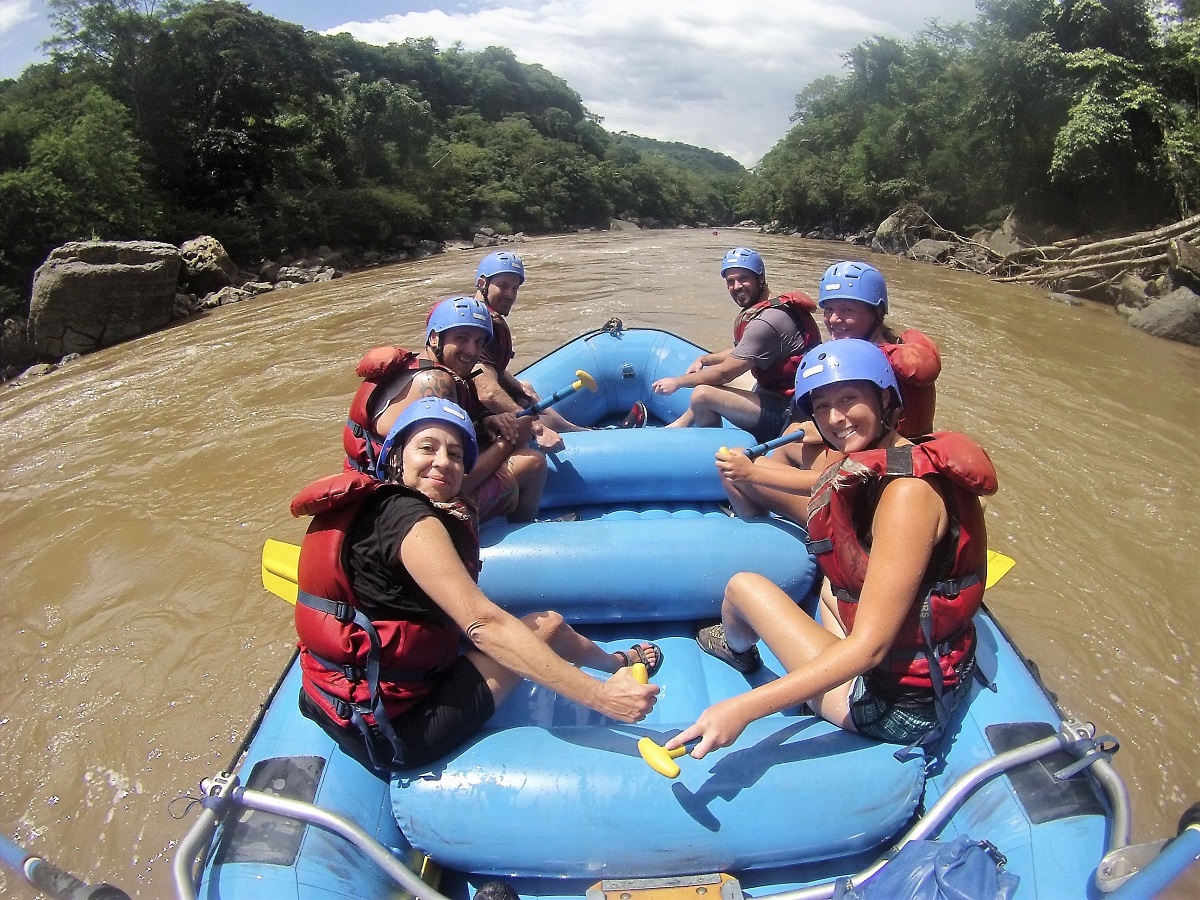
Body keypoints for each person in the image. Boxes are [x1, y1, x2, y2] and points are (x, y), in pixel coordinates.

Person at [294, 397, 662, 772]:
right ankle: (617, 664)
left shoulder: (369, 508)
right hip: (398, 732)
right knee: (546, 625)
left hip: (329, 701)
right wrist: (600, 698)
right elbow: (484, 625)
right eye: (427, 448)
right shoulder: (412, 523)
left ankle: (616, 661)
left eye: (455, 455)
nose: (443, 462)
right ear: (396, 456)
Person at [670, 339, 996, 761]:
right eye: (821, 406)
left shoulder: (906, 497)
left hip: (896, 707)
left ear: (884, 399)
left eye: (848, 399)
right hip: (930, 665)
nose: (835, 418)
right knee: (830, 585)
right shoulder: (894, 456)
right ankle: (819, 665)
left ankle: (738, 651)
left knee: (742, 588)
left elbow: (870, 650)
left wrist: (742, 709)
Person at [344, 295, 548, 523]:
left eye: (479, 342)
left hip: (377, 489)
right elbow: (452, 482)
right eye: (462, 338)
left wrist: (484, 423)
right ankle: (524, 533)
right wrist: (508, 441)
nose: (472, 351)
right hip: (406, 509)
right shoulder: (434, 383)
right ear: (434, 338)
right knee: (532, 462)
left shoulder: (419, 367)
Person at [470, 252, 646, 446]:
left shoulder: (481, 316)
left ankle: (580, 432)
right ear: (482, 283)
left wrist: (520, 389)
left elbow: (495, 369)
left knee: (525, 389)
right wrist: (538, 428)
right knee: (528, 411)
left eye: (515, 288)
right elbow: (488, 392)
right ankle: (585, 436)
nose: (510, 294)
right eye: (503, 286)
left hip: (476, 407)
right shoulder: (479, 329)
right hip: (476, 421)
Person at [652, 247, 821, 443]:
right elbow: (742, 352)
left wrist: (677, 382)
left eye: (743, 278)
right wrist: (704, 359)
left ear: (760, 278)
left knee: (702, 394)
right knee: (710, 376)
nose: (736, 286)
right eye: (730, 281)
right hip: (781, 397)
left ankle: (710, 450)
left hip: (788, 414)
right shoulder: (773, 307)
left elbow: (725, 373)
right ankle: (680, 424)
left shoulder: (767, 322)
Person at [816, 261, 941, 437]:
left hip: (889, 456)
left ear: (876, 313)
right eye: (829, 309)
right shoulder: (893, 345)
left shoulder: (874, 364)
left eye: (847, 310)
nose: (834, 319)